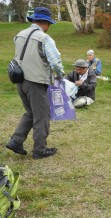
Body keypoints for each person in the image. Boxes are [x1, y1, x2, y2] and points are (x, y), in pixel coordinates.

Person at [6, 7, 64, 159]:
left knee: (30, 112)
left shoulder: (19, 35)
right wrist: (60, 75)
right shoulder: (44, 38)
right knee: (42, 115)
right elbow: (55, 61)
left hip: (20, 80)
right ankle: (40, 150)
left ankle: (15, 141)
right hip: (36, 82)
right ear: (45, 23)